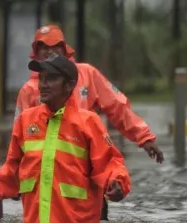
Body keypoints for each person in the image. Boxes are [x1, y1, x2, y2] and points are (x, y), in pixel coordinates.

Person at [0, 54, 132, 223]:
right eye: (41, 78)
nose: (43, 85)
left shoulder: (89, 123)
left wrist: (117, 183)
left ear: (70, 85)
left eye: (51, 79)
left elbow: (111, 162)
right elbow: (13, 168)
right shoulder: (26, 121)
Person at [16, 24, 163, 163]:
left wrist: (144, 138)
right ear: (36, 54)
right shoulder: (28, 90)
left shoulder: (87, 74)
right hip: (48, 164)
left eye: (55, 45)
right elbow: (19, 137)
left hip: (87, 156)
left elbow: (117, 106)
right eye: (43, 47)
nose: (49, 51)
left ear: (64, 50)